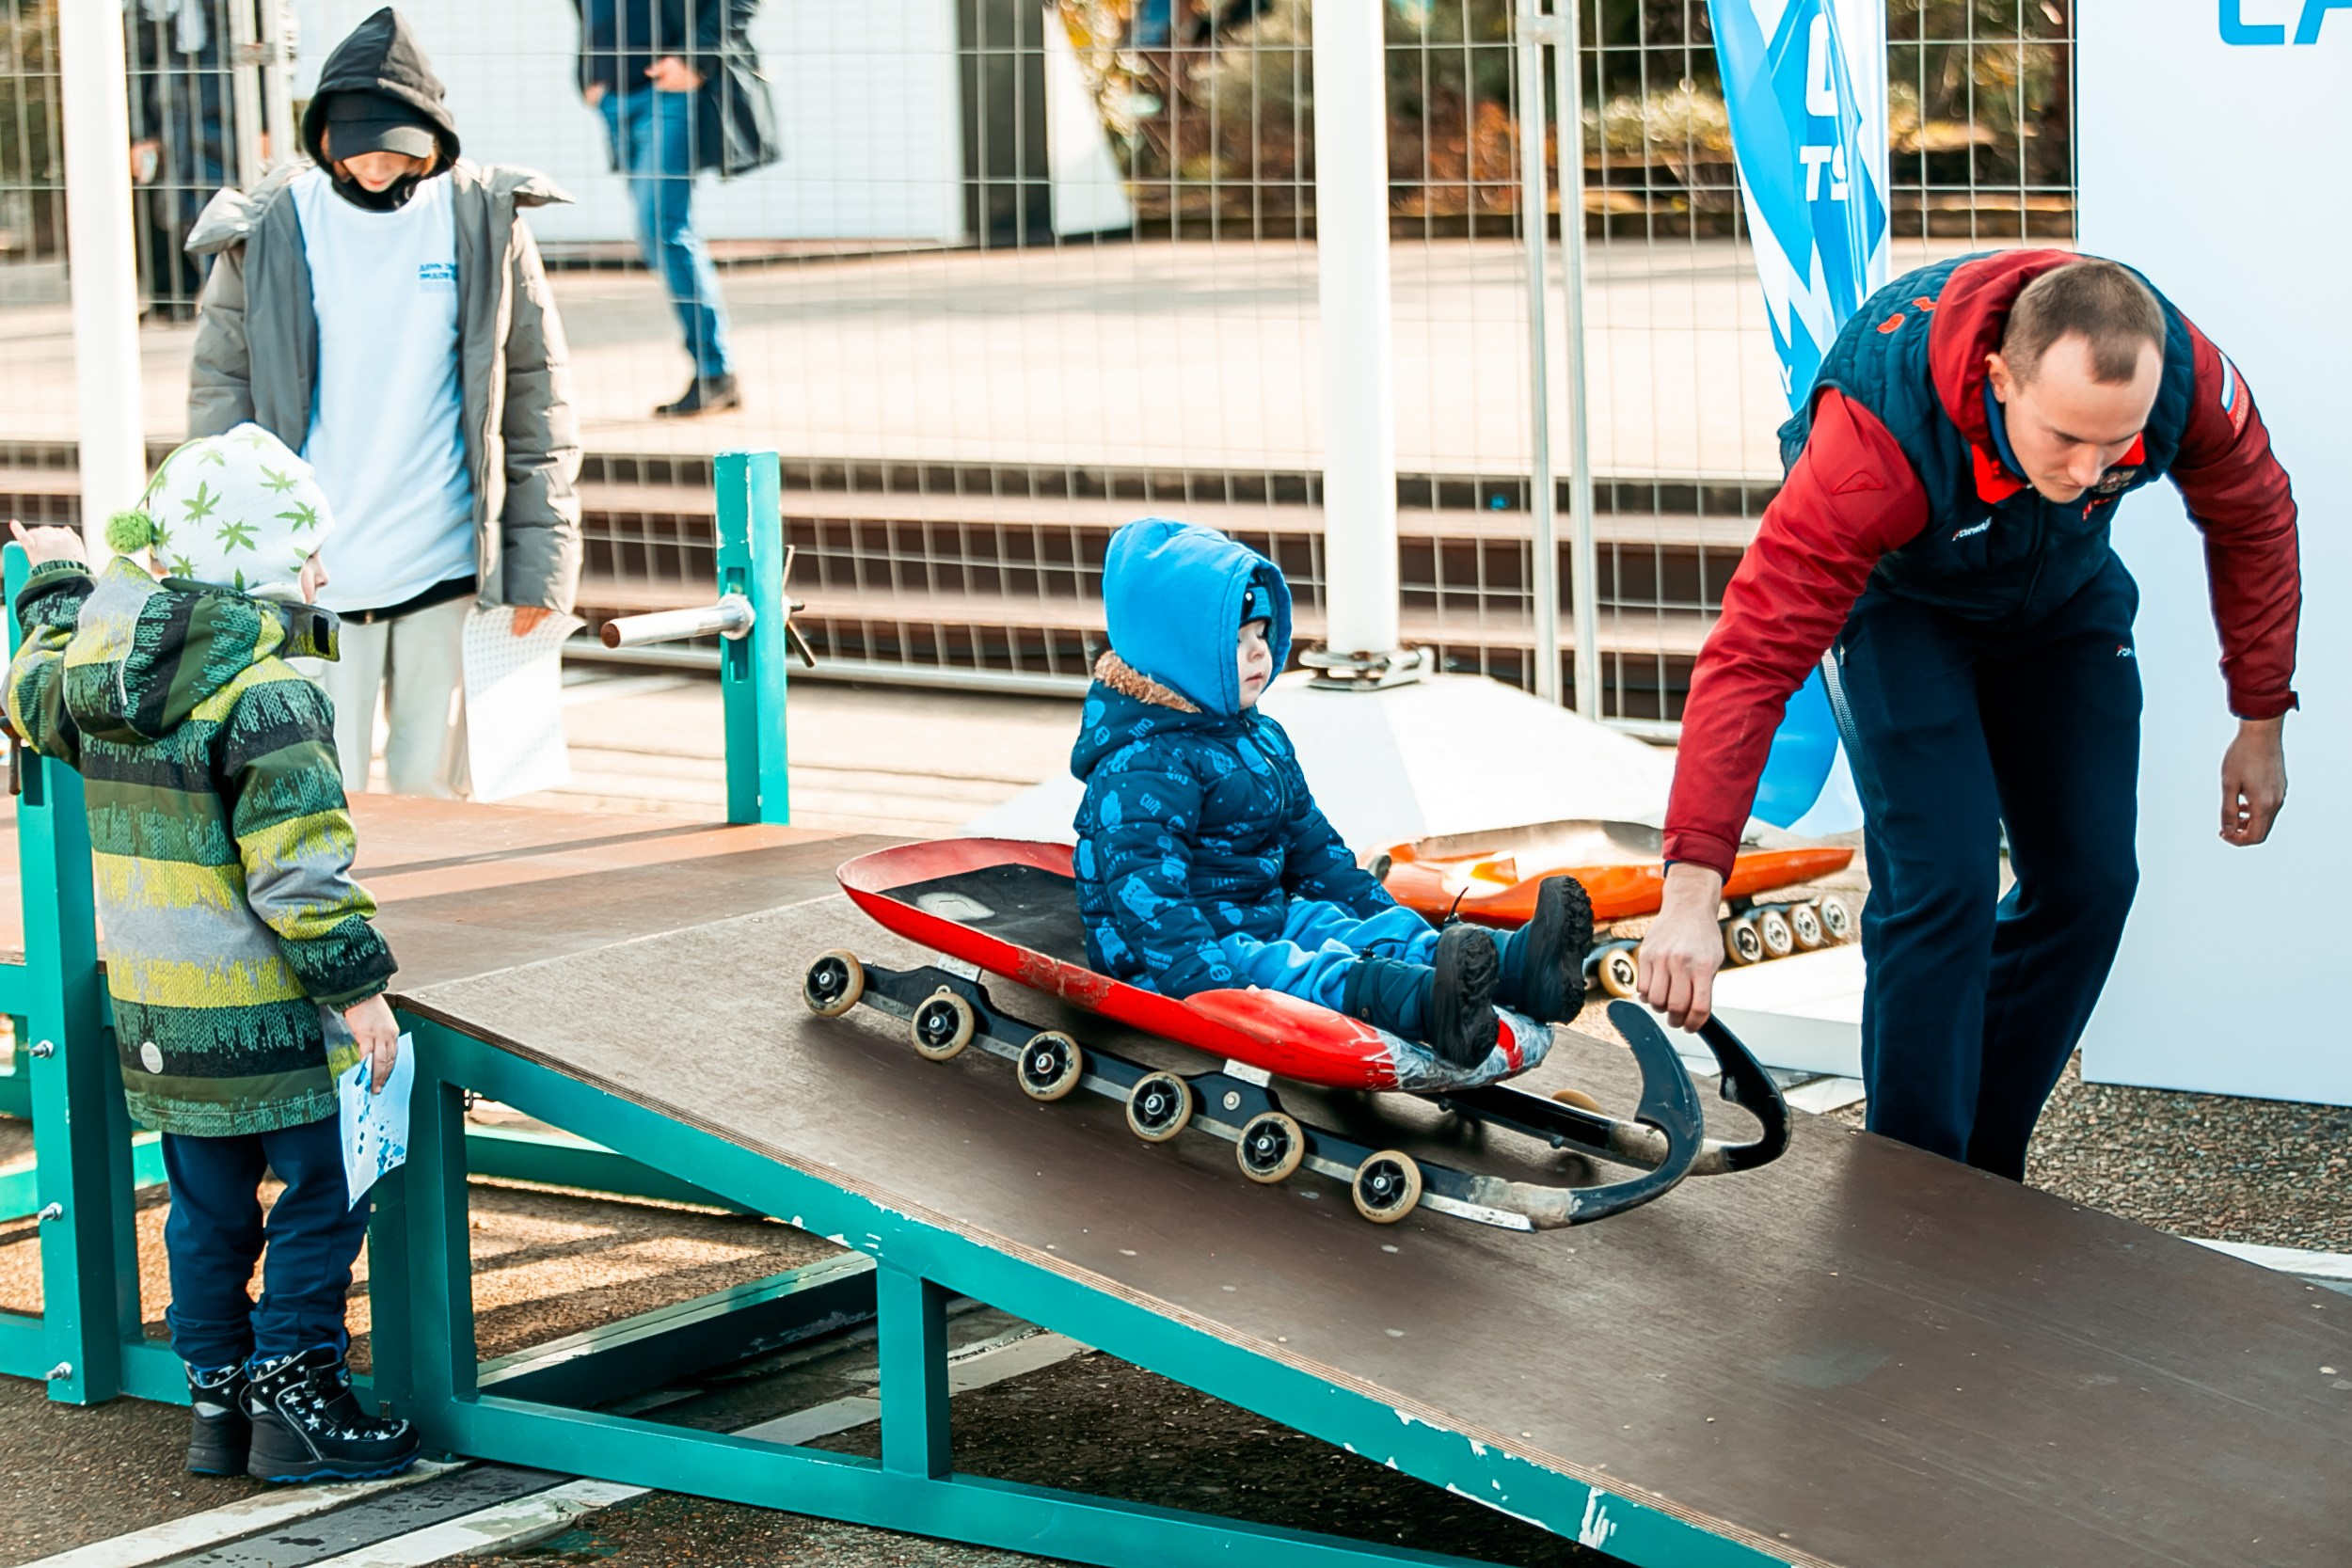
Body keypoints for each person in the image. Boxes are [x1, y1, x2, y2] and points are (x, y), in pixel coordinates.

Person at [1641, 251, 2300, 1180]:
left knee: (2090, 881)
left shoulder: (2181, 375)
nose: (2088, 469)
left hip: (2061, 601)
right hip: (1906, 604)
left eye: (2118, 447)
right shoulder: (1872, 441)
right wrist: (1689, 893)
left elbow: (2255, 513)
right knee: (1940, 882)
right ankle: (1914, 1191)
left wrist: (2260, 714)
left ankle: (1982, 1180)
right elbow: (1752, 654)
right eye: (2065, 438)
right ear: (1998, 378)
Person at [5, 425, 419, 1483]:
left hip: (158, 1011)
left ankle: (217, 1402)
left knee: (206, 1208)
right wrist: (362, 992)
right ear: (256, 572)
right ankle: (298, 1391)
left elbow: (31, 683)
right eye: (304, 555)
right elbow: (298, 871)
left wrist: (54, 578)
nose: (321, 573)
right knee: (325, 1189)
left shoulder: (95, 674)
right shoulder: (269, 692)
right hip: (266, 1009)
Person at [184, 6, 582, 798]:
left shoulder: (481, 217)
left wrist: (542, 573)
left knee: (431, 797)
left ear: (433, 141)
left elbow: (540, 402)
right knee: (311, 798)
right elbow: (217, 403)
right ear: (324, 136)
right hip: (312, 575)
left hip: (443, 565)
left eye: (397, 151)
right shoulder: (269, 227)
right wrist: (223, 560)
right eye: (358, 147)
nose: (375, 167)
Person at [1071, 519, 1592, 1070]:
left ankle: (1518, 968)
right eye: (1236, 640)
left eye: (1261, 634)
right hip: (1175, 952)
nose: (1259, 654)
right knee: (1286, 969)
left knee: (1342, 926)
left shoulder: (1256, 737)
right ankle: (1423, 1004)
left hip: (1262, 914)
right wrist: (1208, 991)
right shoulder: (1142, 766)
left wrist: (1379, 914)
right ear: (1176, 650)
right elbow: (1149, 895)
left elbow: (1315, 850)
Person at [570, 0, 780, 418]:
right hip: (617, 96)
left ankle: (715, 372)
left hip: (669, 91)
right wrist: (588, 72)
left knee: (662, 229)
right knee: (656, 236)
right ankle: (715, 372)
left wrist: (694, 59)